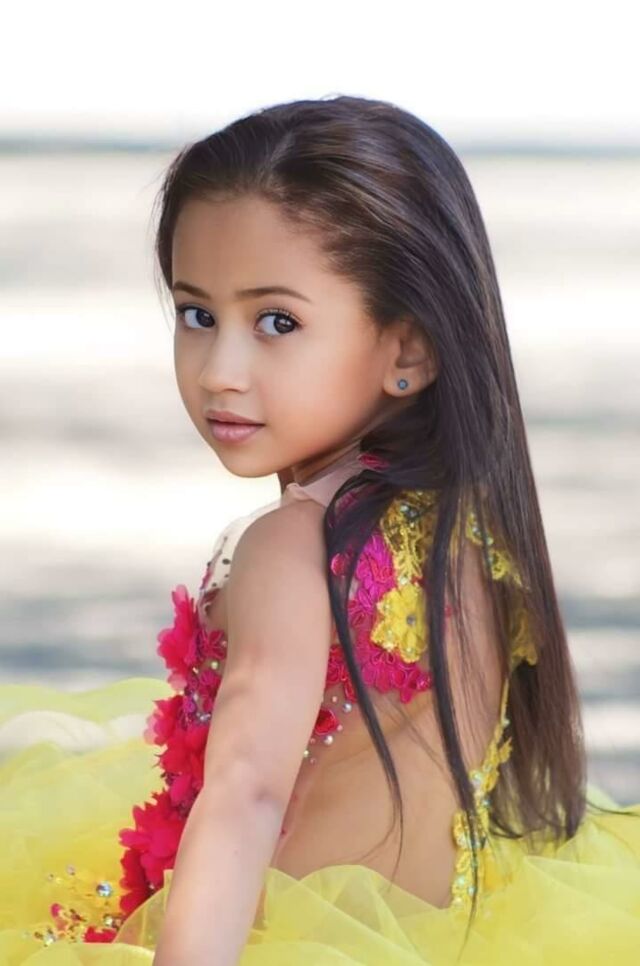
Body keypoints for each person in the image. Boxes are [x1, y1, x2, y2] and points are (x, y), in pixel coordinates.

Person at [1, 95, 639, 965]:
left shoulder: (290, 547)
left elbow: (244, 795)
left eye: (277, 322)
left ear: (408, 351)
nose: (220, 372)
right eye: (197, 314)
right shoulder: (470, 531)